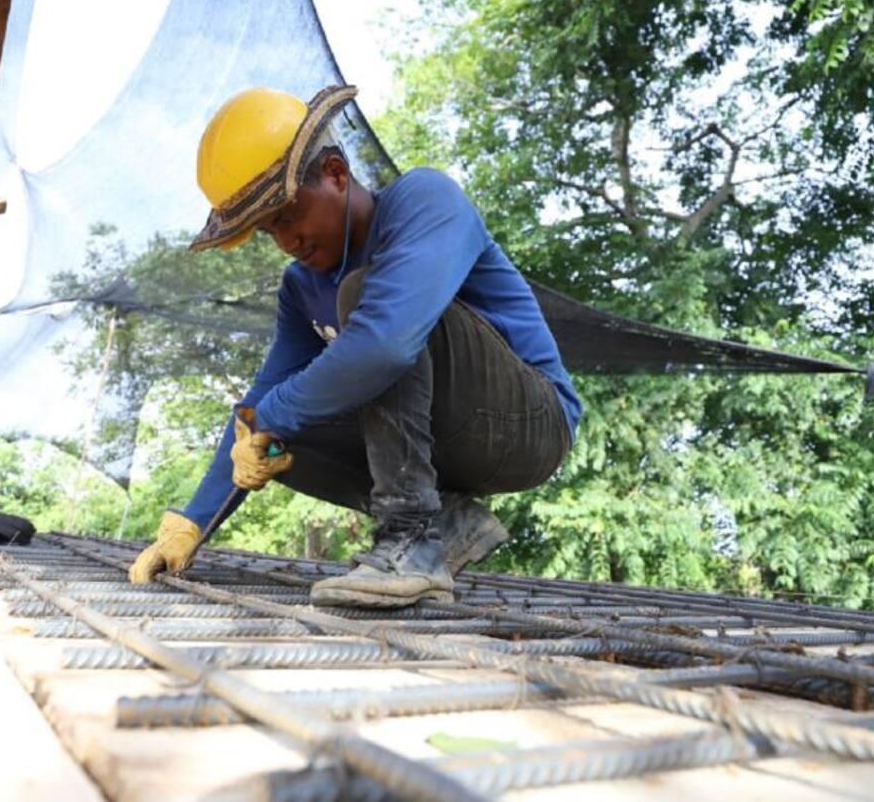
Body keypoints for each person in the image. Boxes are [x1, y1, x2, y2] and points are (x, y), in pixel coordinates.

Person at [128, 85, 581, 607]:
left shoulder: (425, 200)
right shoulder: (301, 289)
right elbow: (260, 404)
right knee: (274, 438)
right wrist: (193, 522)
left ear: (336, 174)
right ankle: (445, 522)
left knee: (365, 308)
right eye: (268, 231)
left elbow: (384, 346)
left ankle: (409, 537)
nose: (287, 242)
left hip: (530, 425)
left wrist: (274, 412)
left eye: (289, 214)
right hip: (448, 445)